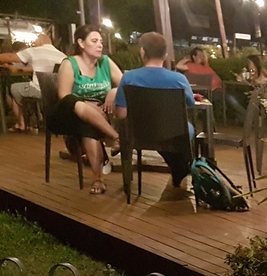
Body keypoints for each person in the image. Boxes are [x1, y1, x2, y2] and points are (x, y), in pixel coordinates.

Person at [114, 33, 195, 189]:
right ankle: (182, 167)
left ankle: (177, 168)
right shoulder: (179, 79)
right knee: (187, 129)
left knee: (155, 130)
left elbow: (121, 114)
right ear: (165, 54)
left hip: (139, 133)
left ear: (142, 52)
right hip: (174, 132)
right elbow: (190, 104)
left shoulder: (128, 77)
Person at [49, 25, 123, 195]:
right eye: (94, 41)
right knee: (78, 106)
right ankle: (115, 136)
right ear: (81, 43)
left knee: (88, 128)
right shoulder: (70, 63)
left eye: (101, 42)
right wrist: (87, 104)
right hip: (69, 112)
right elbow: (64, 96)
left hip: (96, 116)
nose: (100, 45)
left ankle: (98, 180)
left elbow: (125, 84)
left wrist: (113, 91)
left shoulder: (105, 62)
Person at [0, 34, 66, 132]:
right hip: (58, 92)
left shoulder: (35, 51)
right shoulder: (62, 56)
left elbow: (9, 57)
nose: (34, 43)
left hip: (39, 90)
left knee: (14, 88)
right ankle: (39, 119)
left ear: (40, 41)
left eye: (35, 41)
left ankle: (21, 123)